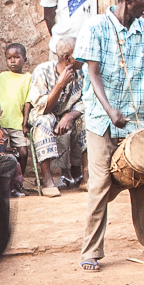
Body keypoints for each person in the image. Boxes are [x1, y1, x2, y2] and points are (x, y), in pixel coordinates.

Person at [74, 0, 144, 272]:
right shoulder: (95, 27)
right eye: (143, 0)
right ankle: (91, 251)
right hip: (101, 118)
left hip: (136, 118)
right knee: (100, 182)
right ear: (127, 1)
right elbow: (92, 75)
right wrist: (110, 112)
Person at [28, 36, 86, 196]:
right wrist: (60, 85)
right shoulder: (42, 71)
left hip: (67, 115)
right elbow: (42, 107)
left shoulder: (82, 74)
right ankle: (48, 179)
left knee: (86, 119)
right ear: (68, 58)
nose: (84, 57)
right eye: (79, 53)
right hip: (45, 114)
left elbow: (86, 101)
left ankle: (85, 176)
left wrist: (69, 116)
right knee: (44, 121)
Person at [0, 43, 32, 193]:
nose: (13, 61)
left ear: (25, 59)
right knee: (3, 153)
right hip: (1, 124)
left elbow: (28, 102)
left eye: (17, 57)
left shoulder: (28, 78)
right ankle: (5, 184)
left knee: (23, 152)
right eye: (9, 58)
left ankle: (18, 181)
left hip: (17, 123)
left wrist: (25, 123)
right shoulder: (2, 77)